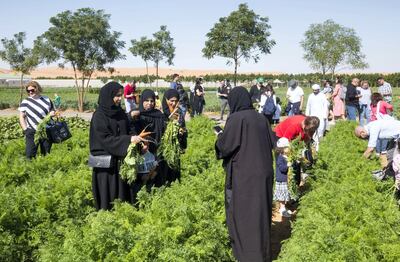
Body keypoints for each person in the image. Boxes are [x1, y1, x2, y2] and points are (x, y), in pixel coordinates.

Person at [215, 86, 274, 262]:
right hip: (263, 175)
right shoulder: (261, 118)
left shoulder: (236, 118)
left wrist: (219, 136)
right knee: (260, 213)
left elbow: (226, 147)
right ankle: (263, 254)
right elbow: (272, 142)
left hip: (244, 177)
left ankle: (247, 256)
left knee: (243, 215)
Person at [89, 82, 144, 210]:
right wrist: (129, 139)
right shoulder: (99, 116)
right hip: (106, 167)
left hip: (121, 163)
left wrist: (138, 142)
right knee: (108, 198)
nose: (120, 98)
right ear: (108, 96)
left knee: (122, 195)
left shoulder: (119, 112)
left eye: (121, 95)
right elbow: (106, 139)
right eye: (117, 95)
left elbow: (129, 129)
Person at [131, 89, 167, 187]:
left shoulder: (159, 115)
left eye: (152, 101)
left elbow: (164, 129)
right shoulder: (136, 114)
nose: (149, 103)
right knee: (143, 177)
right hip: (142, 150)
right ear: (142, 101)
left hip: (156, 149)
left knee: (155, 174)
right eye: (146, 101)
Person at [18, 81, 55, 159]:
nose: (30, 92)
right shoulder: (25, 102)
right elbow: (21, 117)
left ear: (37, 89)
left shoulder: (46, 99)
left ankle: (44, 168)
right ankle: (30, 169)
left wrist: (52, 113)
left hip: (46, 130)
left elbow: (52, 110)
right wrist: (25, 130)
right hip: (32, 131)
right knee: (30, 154)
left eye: (32, 90)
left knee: (46, 153)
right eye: (28, 91)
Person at [161, 89, 188, 183]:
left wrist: (182, 133)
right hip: (164, 148)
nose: (174, 103)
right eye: (171, 101)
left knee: (174, 170)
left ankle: (174, 187)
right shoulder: (161, 113)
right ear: (166, 100)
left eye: (176, 101)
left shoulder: (179, 112)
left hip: (175, 147)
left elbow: (183, 127)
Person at [274, 137, 293, 218]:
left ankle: (283, 207)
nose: (289, 149)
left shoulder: (285, 157)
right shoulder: (280, 158)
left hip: (284, 179)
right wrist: (287, 165)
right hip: (281, 179)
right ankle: (282, 209)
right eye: (287, 148)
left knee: (284, 193)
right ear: (282, 149)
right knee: (282, 194)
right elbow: (282, 168)